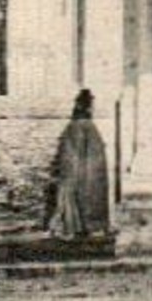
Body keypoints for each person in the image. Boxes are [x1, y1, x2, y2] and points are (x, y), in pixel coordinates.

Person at [48, 89, 111, 240]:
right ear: (87, 107)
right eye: (91, 106)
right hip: (82, 173)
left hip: (83, 172)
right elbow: (74, 154)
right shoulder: (82, 127)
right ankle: (79, 226)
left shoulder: (77, 126)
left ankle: (81, 225)